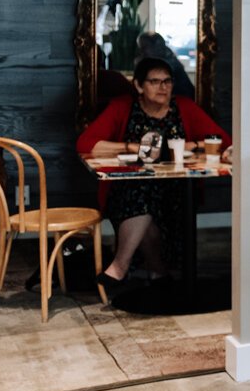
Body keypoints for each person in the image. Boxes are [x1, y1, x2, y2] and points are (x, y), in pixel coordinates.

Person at [76, 56, 230, 289]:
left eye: (167, 81)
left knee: (145, 197)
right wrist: (132, 147)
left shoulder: (184, 107)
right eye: (154, 82)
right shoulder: (123, 106)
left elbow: (223, 141)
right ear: (139, 86)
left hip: (177, 189)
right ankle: (153, 271)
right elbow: (86, 144)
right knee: (142, 193)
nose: (163, 87)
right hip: (127, 189)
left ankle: (127, 267)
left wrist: (194, 145)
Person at [138, 31, 195, 99]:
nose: (141, 51)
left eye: (144, 47)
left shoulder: (166, 65)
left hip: (181, 101)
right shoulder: (167, 56)